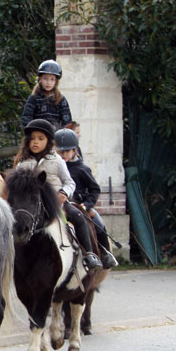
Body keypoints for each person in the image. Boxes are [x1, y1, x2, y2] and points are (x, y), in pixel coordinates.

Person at [14, 118, 101, 270]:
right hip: (31, 204)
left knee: (78, 217)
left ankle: (89, 254)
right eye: (32, 139)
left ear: (48, 141)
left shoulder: (57, 160)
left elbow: (70, 182)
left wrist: (63, 193)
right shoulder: (22, 163)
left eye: (41, 139)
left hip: (55, 202)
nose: (35, 142)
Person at [55, 129, 118, 268]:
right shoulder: (55, 167)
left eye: (67, 151)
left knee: (98, 223)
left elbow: (95, 189)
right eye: (60, 152)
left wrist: (87, 205)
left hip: (80, 204)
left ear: (74, 150)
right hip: (59, 203)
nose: (64, 154)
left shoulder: (82, 169)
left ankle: (106, 253)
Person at [21, 59, 72, 130]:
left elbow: (67, 122)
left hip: (55, 137)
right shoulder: (34, 98)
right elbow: (26, 119)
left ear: (56, 82)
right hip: (38, 135)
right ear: (40, 79)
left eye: (52, 79)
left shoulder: (61, 99)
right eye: (45, 79)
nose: (48, 82)